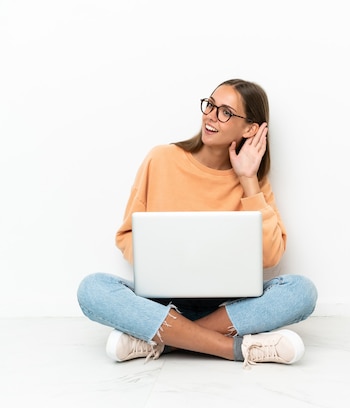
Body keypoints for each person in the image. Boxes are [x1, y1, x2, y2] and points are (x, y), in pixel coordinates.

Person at [77, 79, 318, 367]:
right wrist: (163, 258)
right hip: (164, 303)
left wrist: (248, 181)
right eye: (210, 105)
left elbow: (270, 256)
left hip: (228, 306)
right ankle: (236, 349)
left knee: (302, 291)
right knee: (92, 289)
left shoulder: (254, 182)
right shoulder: (161, 159)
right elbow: (127, 235)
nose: (210, 116)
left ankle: (161, 340)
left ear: (251, 129)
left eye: (225, 112)